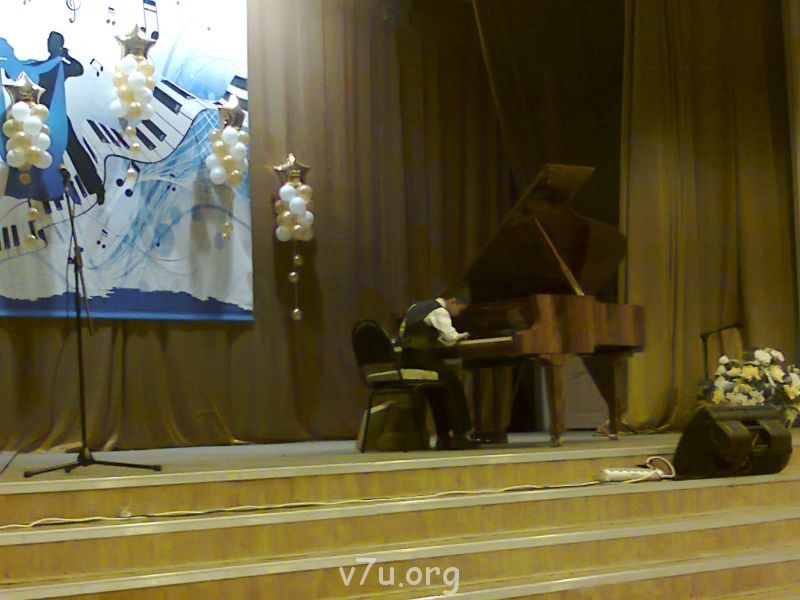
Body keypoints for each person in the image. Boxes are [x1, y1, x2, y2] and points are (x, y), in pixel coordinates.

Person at [398, 284, 479, 450]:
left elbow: (402, 333)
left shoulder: (415, 307)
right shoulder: (440, 310)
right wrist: (462, 336)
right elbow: (450, 337)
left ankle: (443, 437)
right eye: (459, 309)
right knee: (453, 384)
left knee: (437, 389)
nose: (458, 314)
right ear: (453, 302)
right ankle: (460, 434)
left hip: (407, 359)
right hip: (423, 358)